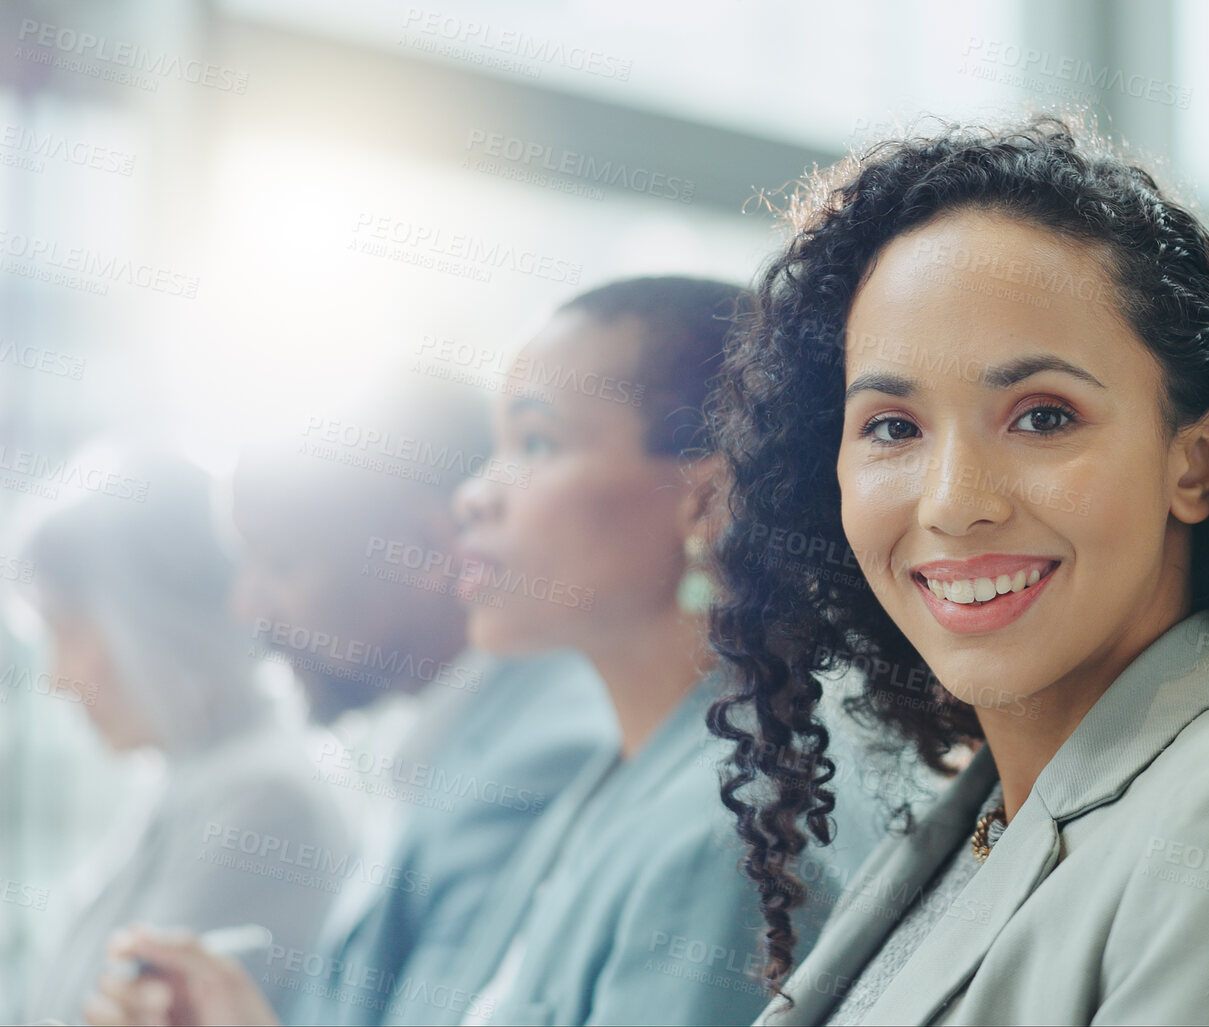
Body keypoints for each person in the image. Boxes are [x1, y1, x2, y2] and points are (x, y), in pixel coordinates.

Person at [707, 119, 1209, 1025]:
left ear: (1197, 461)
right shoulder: (971, 821)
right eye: (893, 427)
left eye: (1043, 416)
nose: (951, 502)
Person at [92, 277, 886, 1026]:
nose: (475, 494)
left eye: (536, 442)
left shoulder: (723, 834)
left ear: (705, 499)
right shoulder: (623, 779)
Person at [83, 384, 614, 1025]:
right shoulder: (436, 744)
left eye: (279, 562)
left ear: (424, 543)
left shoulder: (538, 756)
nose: (246, 608)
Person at [15, 450, 349, 1025]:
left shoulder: (263, 803)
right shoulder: (192, 782)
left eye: (69, 630)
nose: (56, 678)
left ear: (155, 621)